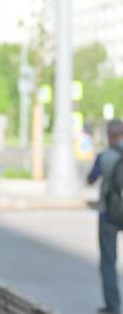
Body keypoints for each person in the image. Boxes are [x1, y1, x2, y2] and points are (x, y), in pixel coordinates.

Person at [88, 119, 123, 314]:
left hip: (108, 216)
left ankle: (113, 306)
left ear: (109, 135)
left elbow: (91, 179)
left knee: (108, 262)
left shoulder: (104, 157)